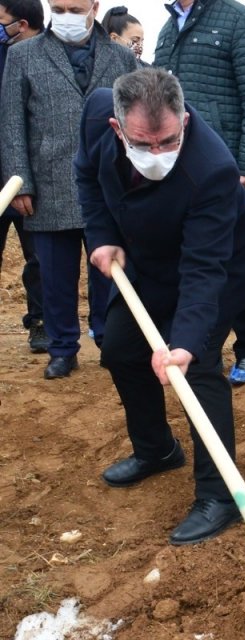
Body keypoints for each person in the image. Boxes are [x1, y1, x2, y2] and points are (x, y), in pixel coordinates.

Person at [78, 68, 245, 544]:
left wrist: (183, 343)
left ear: (183, 118)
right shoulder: (97, 112)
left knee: (195, 367)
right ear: (117, 127)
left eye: (169, 141)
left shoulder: (212, 169)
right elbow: (87, 177)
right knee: (120, 348)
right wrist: (101, 238)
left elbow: (203, 270)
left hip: (217, 265)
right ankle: (157, 450)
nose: (158, 154)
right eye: (144, 143)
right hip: (145, 257)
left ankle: (220, 495)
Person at [1, 0, 140, 379]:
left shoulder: (120, 57)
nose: (66, 16)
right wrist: (20, 183)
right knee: (54, 275)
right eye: (58, 8)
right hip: (49, 183)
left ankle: (109, 339)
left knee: (108, 271)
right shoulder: (24, 55)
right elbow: (12, 122)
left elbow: (135, 119)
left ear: (94, 6)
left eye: (74, 8)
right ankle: (62, 347)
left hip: (106, 185)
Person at [153, 0, 245, 384]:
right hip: (179, 167)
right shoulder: (168, 28)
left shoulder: (240, 19)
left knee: (238, 259)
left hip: (226, 170)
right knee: (194, 256)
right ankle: (199, 344)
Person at [0, 0, 46, 354]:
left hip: (30, 177)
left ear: (23, 22)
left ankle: (41, 323)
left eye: (2, 20)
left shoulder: (39, 59)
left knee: (39, 258)